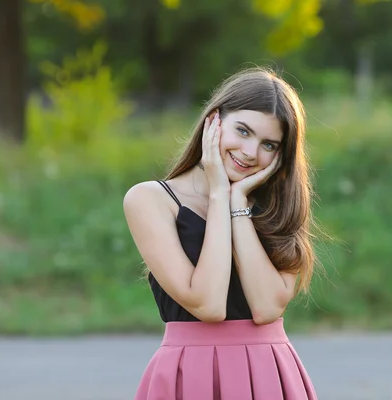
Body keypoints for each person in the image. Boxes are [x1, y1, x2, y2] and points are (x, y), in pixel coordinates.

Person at [123, 67, 320, 400]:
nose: (250, 152)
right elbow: (209, 305)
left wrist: (237, 202)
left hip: (268, 373)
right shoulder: (150, 200)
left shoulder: (278, 207)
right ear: (214, 120)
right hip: (191, 374)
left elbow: (267, 309)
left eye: (268, 145)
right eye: (242, 131)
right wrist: (217, 194)